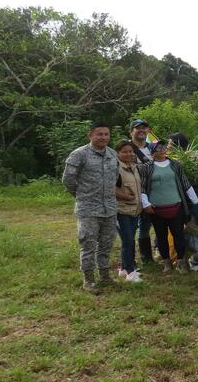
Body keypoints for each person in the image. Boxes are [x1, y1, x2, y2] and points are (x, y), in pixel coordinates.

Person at [62, 122, 119, 292]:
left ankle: (105, 275)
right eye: (99, 134)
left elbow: (115, 178)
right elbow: (68, 180)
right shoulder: (79, 154)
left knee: (107, 243)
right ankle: (88, 280)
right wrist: (82, 197)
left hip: (109, 207)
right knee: (88, 243)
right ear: (90, 135)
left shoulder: (112, 154)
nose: (103, 137)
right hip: (88, 209)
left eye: (106, 134)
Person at [138, 139, 198, 273]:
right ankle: (166, 262)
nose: (162, 148)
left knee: (178, 234)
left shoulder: (175, 164)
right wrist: (146, 204)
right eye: (158, 147)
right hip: (155, 209)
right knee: (161, 236)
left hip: (176, 206)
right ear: (153, 152)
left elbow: (185, 183)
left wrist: (196, 203)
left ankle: (181, 262)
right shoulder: (146, 167)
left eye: (163, 146)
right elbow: (141, 187)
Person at [114, 140, 143, 283]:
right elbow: (110, 188)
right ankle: (131, 272)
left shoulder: (134, 166)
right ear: (117, 153)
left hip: (134, 210)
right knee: (128, 241)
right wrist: (126, 196)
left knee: (129, 240)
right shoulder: (115, 167)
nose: (128, 154)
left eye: (130, 151)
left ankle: (123, 268)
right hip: (121, 210)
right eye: (124, 151)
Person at [130, 119, 155, 265]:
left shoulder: (153, 148)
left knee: (146, 226)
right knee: (131, 228)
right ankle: (129, 261)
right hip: (133, 193)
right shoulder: (127, 148)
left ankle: (147, 258)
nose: (141, 130)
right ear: (131, 131)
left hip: (152, 192)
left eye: (144, 128)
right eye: (137, 128)